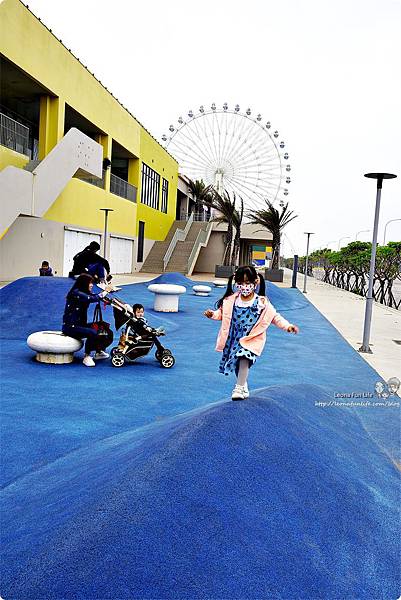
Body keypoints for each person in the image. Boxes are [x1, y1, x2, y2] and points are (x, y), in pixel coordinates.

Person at [204, 265, 299, 400]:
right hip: (234, 337)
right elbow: (221, 314)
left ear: (256, 282)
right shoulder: (231, 300)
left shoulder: (261, 302)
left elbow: (274, 317)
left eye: (248, 283)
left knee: (244, 357)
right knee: (237, 364)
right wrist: (212, 314)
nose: (244, 286)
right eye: (241, 283)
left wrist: (288, 326)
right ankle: (243, 385)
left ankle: (238, 388)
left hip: (251, 338)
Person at [62, 273, 113, 367]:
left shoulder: (84, 292)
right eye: (90, 283)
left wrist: (107, 299)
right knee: (93, 332)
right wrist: (106, 291)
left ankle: (99, 351)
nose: (91, 285)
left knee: (105, 330)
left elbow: (95, 296)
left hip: (81, 325)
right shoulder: (76, 293)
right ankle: (87, 356)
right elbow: (92, 298)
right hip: (71, 327)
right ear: (84, 283)